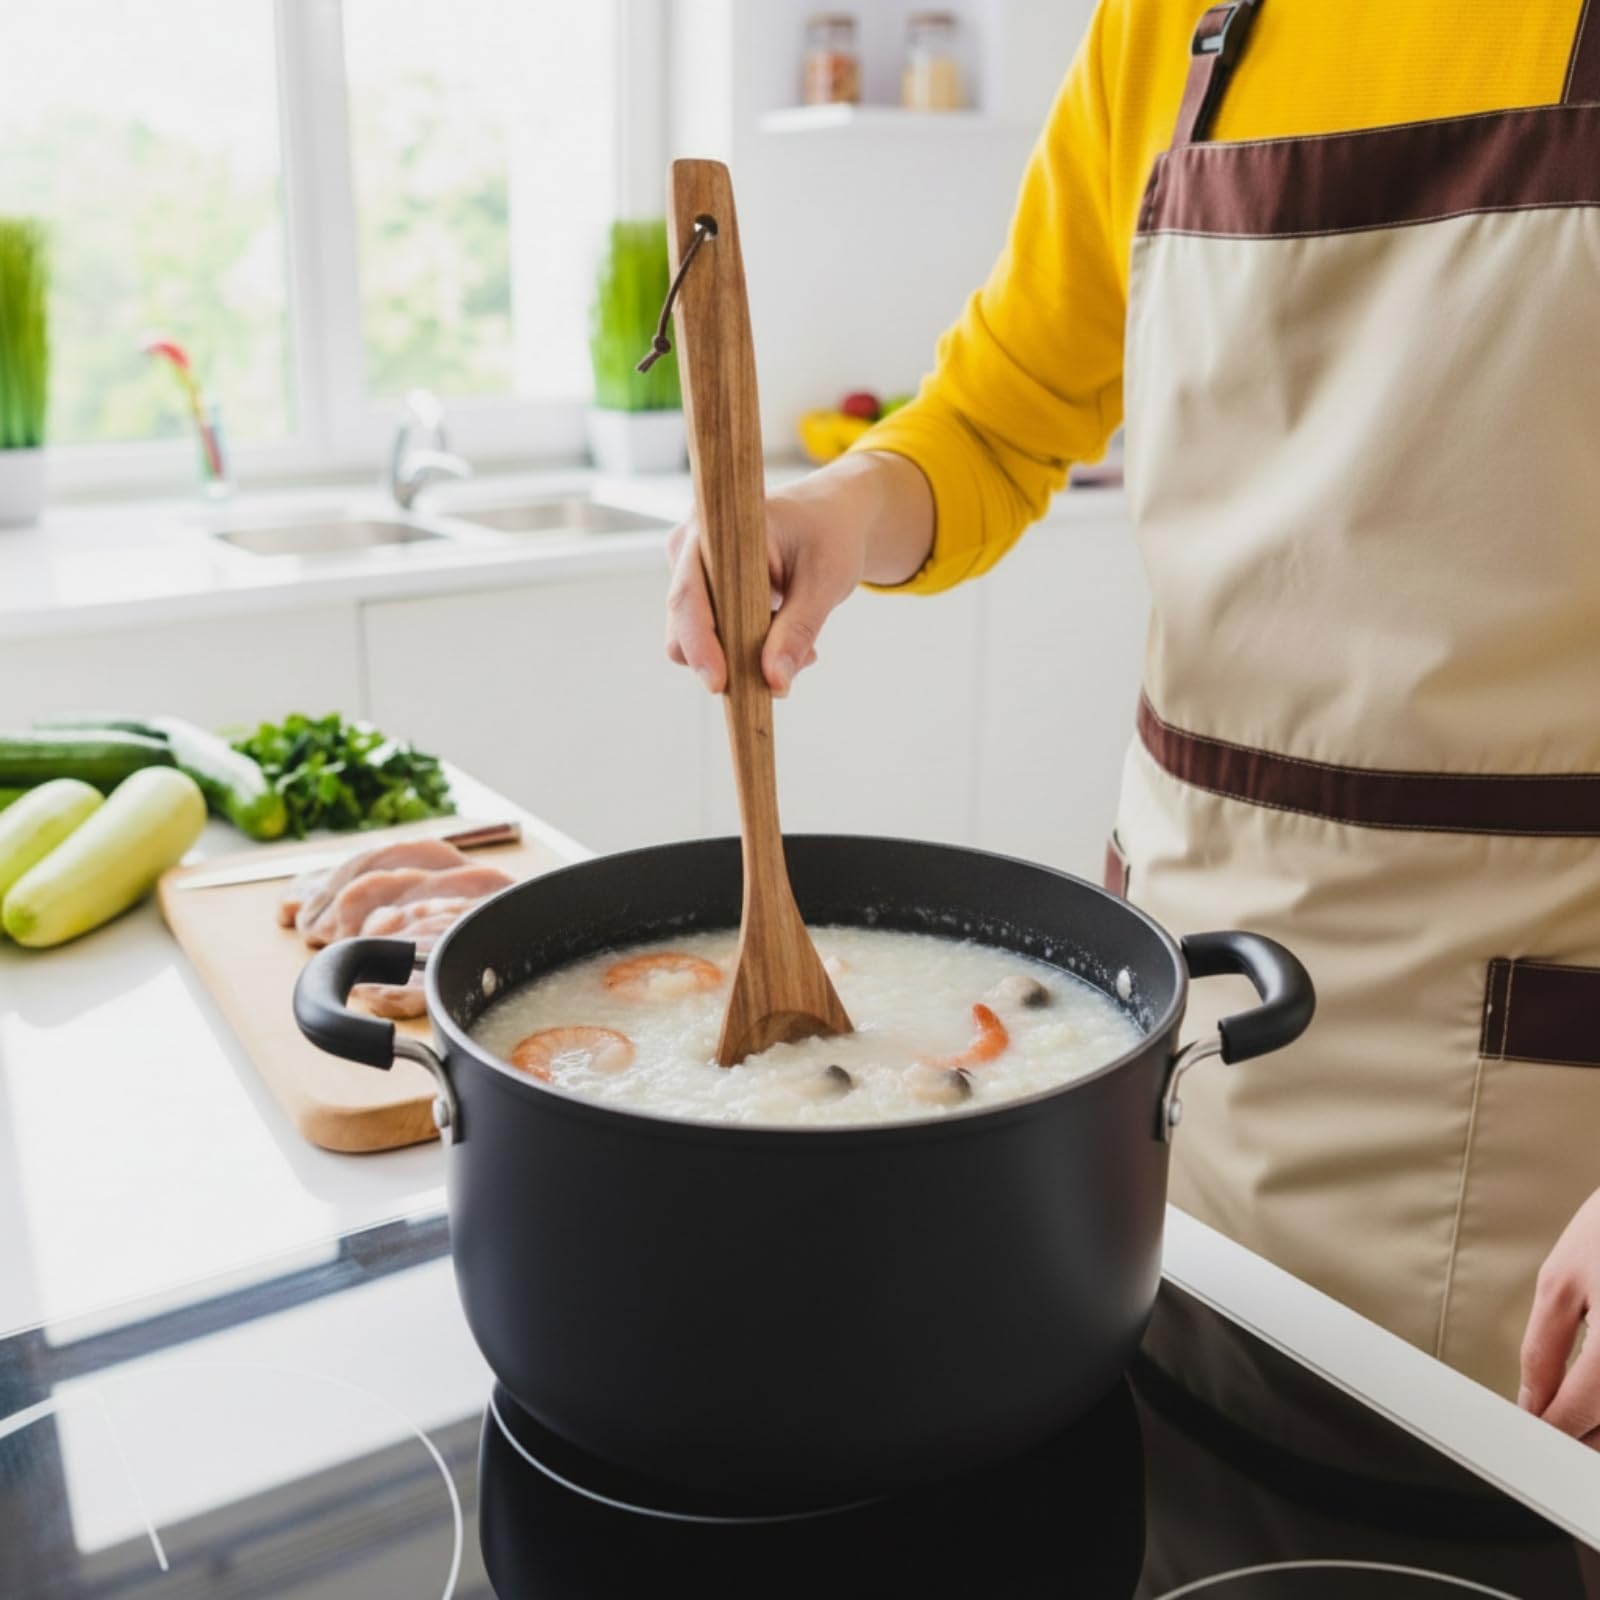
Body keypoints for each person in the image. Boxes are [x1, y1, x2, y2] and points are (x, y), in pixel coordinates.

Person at [663, 0, 1600, 1445]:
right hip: (1169, 1014)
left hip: (1520, 1092)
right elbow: (1003, 411)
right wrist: (843, 504)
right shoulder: (1173, 19)